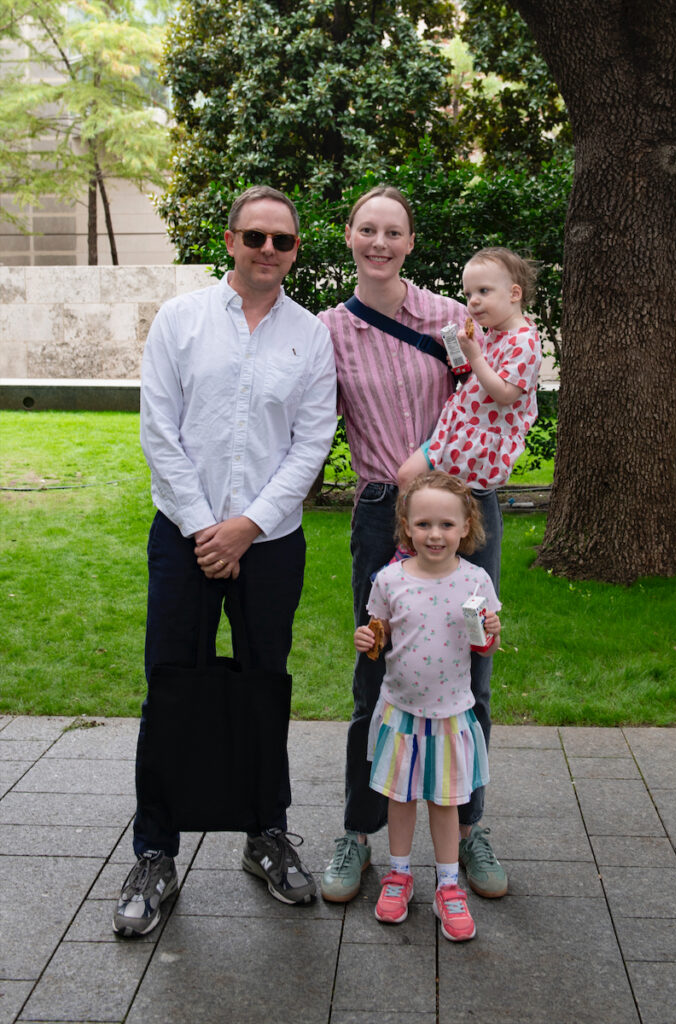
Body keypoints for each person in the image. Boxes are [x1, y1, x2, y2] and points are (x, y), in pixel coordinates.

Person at [113, 185, 337, 937]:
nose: (267, 251)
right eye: (254, 237)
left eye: (283, 240)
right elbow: (158, 430)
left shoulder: (311, 335)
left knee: (264, 688)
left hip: (270, 544)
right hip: (183, 536)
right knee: (169, 689)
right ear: (230, 239)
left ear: (296, 249)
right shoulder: (180, 320)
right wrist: (210, 528)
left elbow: (311, 443)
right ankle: (154, 851)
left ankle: (265, 836)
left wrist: (247, 526)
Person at [318, 186, 508, 905]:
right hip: (379, 513)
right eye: (367, 228)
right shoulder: (331, 329)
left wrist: (430, 453)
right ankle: (359, 833)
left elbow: (493, 394)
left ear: (409, 241)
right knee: (375, 667)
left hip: (462, 512)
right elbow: (309, 420)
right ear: (348, 235)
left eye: (392, 230)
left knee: (471, 666)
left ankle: (468, 824)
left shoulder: (452, 317)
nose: (379, 241)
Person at [354, 471, 501, 940]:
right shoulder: (390, 580)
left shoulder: (475, 582)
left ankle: (448, 884)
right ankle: (398, 875)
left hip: (450, 714)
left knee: (445, 801)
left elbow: (483, 649)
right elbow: (379, 634)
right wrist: (366, 638)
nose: (434, 535)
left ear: (465, 527)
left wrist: (491, 633)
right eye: (423, 525)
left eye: (445, 525)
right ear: (405, 526)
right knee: (400, 798)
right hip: (401, 712)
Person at [397, 247, 541, 492]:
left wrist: (475, 356)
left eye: (483, 291)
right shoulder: (497, 332)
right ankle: (415, 529)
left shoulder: (524, 341)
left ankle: (416, 529)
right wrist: (467, 367)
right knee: (410, 479)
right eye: (468, 293)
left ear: (514, 293)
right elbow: (486, 379)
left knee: (436, 493)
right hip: (461, 429)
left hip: (476, 445)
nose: (473, 301)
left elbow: (505, 394)